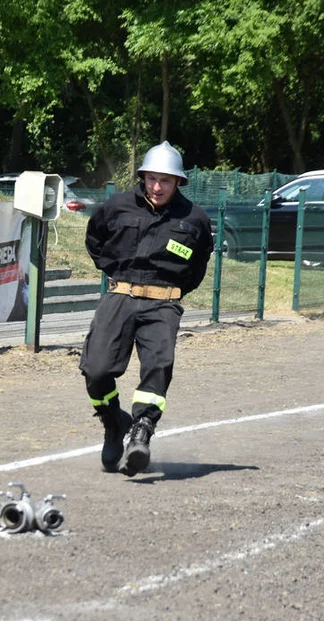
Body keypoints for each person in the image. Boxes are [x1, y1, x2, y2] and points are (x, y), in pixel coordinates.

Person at [79, 141, 213, 476]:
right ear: (143, 177)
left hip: (163, 303)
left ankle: (141, 432)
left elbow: (198, 264)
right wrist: (114, 270)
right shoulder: (118, 206)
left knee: (157, 366)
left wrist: (173, 290)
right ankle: (113, 422)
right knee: (96, 369)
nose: (157, 187)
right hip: (120, 295)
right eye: (152, 179)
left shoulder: (194, 219)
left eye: (165, 181)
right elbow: (94, 237)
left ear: (178, 182)